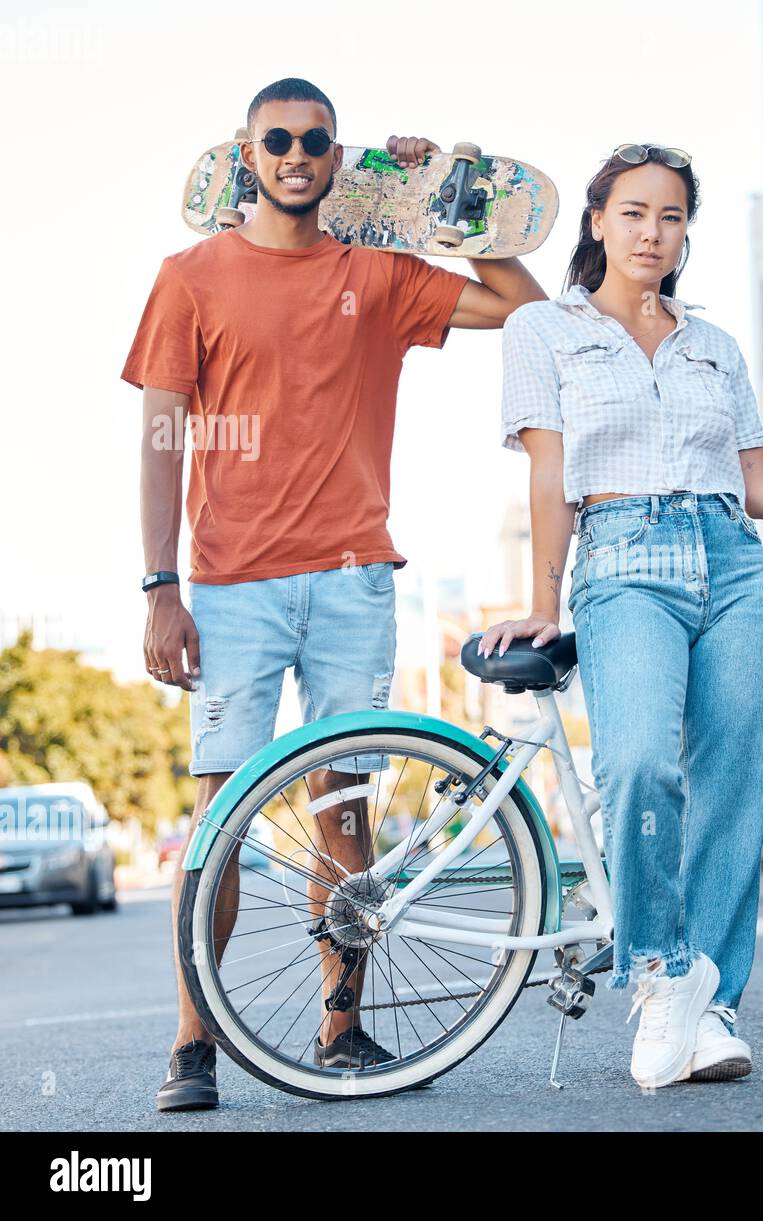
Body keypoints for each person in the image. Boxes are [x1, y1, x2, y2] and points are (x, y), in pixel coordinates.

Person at [122, 80, 545, 1110]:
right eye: (278, 140)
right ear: (248, 152)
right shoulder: (191, 277)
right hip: (230, 592)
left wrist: (447, 200)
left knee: (343, 815)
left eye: (315, 141)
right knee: (219, 819)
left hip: (355, 578)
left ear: (334, 153)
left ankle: (342, 1027)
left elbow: (530, 319)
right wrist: (158, 588)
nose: (297, 154)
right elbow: (163, 440)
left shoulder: (380, 274)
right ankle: (194, 1044)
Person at [477, 144, 763, 1089]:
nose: (654, 232)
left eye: (673, 217)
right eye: (635, 212)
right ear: (597, 221)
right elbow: (551, 473)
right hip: (623, 561)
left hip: (733, 564)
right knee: (641, 762)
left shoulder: (713, 345)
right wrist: (542, 600)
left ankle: (714, 1004)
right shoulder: (544, 329)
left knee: (733, 784)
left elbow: (759, 482)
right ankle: (657, 977)